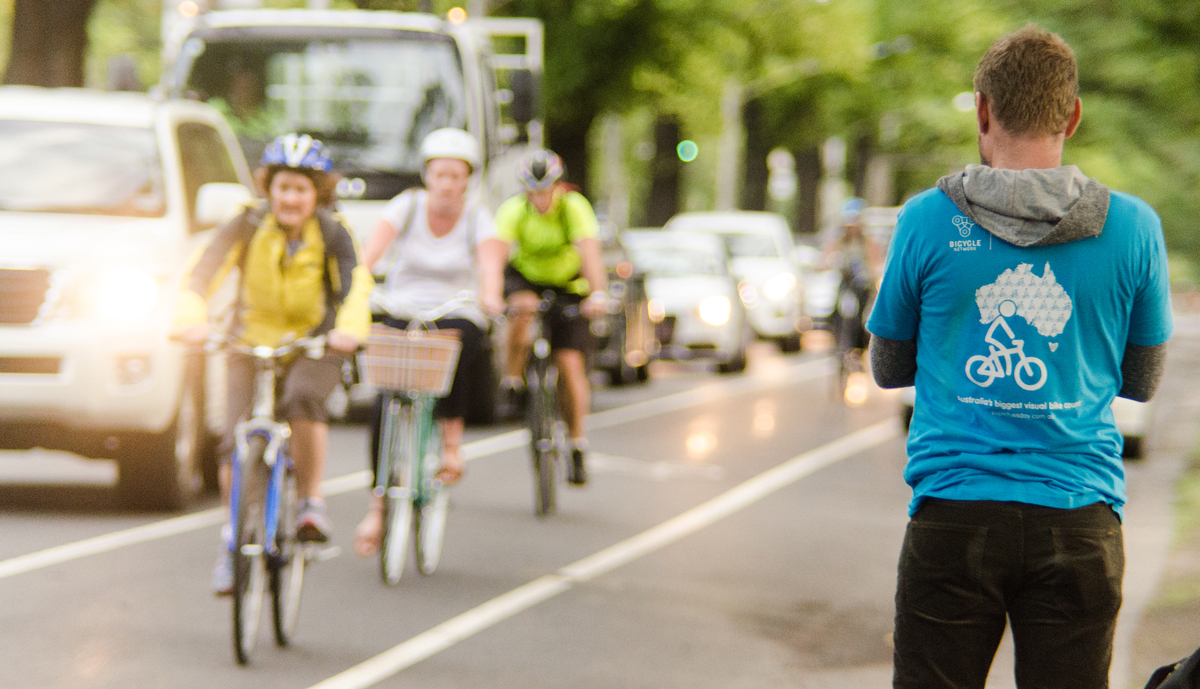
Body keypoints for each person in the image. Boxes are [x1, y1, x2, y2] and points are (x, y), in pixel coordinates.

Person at [867, 25, 1172, 688]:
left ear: (982, 109)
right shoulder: (1135, 227)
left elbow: (888, 367)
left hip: (954, 512)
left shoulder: (924, 219)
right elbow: (1142, 381)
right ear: (1073, 115)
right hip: (1080, 517)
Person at [175, 133, 373, 595]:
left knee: (304, 398)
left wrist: (347, 330)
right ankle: (232, 543)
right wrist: (190, 318)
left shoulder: (333, 232)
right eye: (282, 187)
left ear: (317, 194)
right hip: (248, 339)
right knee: (234, 441)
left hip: (313, 344)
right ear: (268, 188)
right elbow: (201, 274)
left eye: (301, 190)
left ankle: (309, 503)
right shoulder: (246, 224)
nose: (290, 198)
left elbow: (355, 287)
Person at [351, 128, 507, 557]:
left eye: (458, 176)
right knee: (385, 394)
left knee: (462, 345)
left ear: (468, 180)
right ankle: (377, 507)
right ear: (427, 175)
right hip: (402, 303)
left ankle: (451, 447)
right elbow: (369, 257)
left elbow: (490, 264)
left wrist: (491, 296)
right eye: (441, 175)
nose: (448, 184)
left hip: (455, 307)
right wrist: (356, 286)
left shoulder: (478, 217)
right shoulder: (406, 206)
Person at [495, 149, 608, 485]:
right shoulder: (514, 210)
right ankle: (513, 381)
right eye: (534, 191)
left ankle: (577, 443)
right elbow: (498, 255)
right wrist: (492, 294)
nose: (541, 199)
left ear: (558, 186)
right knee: (523, 308)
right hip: (528, 278)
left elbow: (589, 253)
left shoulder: (574, 208)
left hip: (568, 284)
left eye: (546, 190)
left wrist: (597, 294)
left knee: (570, 364)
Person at [821, 197, 883, 355]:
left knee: (863, 312)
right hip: (845, 282)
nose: (852, 227)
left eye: (854, 222)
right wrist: (830, 262)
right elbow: (827, 257)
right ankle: (834, 334)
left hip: (862, 284)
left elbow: (875, 261)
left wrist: (872, 271)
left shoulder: (867, 241)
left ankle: (860, 344)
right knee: (836, 307)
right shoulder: (840, 241)